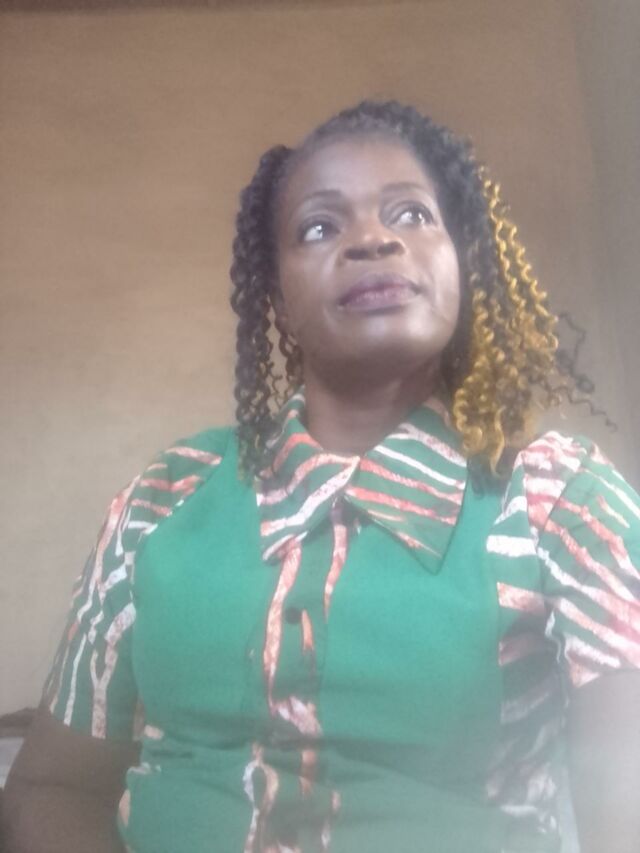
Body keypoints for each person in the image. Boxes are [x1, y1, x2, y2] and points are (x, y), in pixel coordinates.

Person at [4, 100, 640, 853]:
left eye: (412, 214)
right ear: (279, 299)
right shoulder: (164, 499)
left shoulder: (559, 501)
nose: (372, 239)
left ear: (463, 264)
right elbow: (53, 787)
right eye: (318, 227)